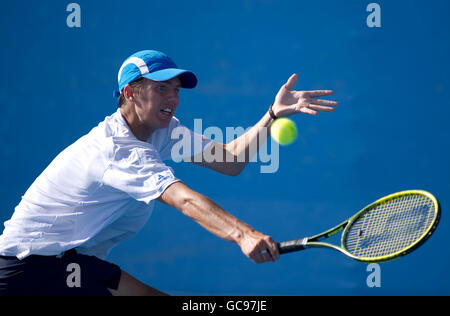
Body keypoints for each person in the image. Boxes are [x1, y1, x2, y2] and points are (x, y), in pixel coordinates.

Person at [0, 50, 338, 296]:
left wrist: (272, 115)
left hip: (69, 263)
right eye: (161, 88)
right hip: (24, 272)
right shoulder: (116, 150)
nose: (173, 97)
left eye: (176, 89)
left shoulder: (162, 130)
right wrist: (243, 234)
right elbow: (185, 200)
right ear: (130, 93)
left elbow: (230, 160)